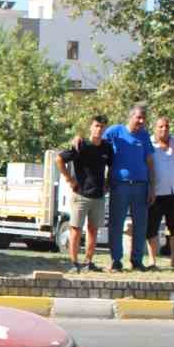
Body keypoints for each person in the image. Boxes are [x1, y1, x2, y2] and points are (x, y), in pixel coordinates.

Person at [102, 103, 156, 271]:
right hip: (120, 185)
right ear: (130, 117)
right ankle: (116, 260)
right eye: (138, 117)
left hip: (140, 186)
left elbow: (150, 162)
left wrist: (152, 187)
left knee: (140, 224)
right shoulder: (115, 131)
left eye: (143, 118)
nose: (140, 121)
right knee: (116, 224)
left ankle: (137, 260)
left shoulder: (144, 136)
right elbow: (98, 143)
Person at [56, 115, 111, 272]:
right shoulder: (81, 145)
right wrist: (69, 179)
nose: (99, 129)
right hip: (80, 195)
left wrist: (107, 184)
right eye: (96, 126)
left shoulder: (107, 147)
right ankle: (74, 263)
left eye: (102, 126)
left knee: (93, 230)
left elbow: (112, 167)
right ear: (90, 128)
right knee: (76, 229)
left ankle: (88, 262)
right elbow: (59, 160)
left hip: (98, 196)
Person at [145, 116, 174, 268]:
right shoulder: (149, 144)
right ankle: (152, 260)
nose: (164, 129)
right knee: (152, 228)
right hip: (155, 194)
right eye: (161, 127)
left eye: (166, 126)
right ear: (155, 128)